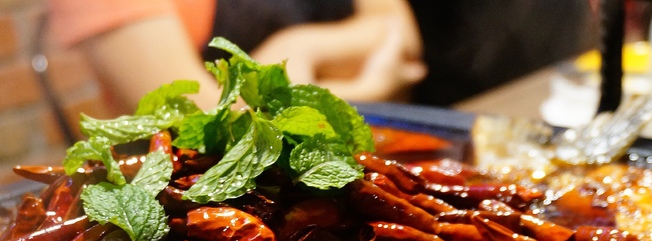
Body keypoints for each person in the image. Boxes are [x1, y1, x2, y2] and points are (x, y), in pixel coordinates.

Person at [47, 0, 597, 113]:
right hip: (193, 214)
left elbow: (395, 34)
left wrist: (295, 50)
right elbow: (207, 121)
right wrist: (359, 88)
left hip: (332, 174)